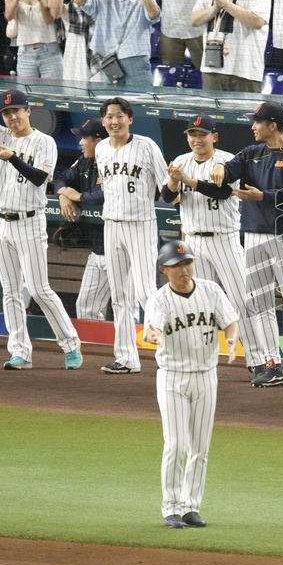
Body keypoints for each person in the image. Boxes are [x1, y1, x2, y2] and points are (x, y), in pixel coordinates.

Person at [0, 89, 82, 371]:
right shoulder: (0, 134)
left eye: (16, 110)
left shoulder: (45, 142)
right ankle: (20, 352)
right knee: (10, 291)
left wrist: (12, 157)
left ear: (29, 111)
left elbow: (40, 178)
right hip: (0, 222)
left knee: (40, 289)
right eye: (6, 113)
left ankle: (70, 343)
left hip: (29, 222)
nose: (12, 116)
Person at [206, 101, 283, 390]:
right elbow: (228, 169)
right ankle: (273, 365)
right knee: (261, 305)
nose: (252, 126)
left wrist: (263, 197)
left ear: (273, 124)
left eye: (257, 121)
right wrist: (219, 165)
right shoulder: (250, 153)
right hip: (254, 235)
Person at [162, 116, 264, 386]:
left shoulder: (227, 161)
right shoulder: (181, 161)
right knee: (202, 305)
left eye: (202, 134)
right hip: (194, 241)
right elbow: (166, 196)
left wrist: (187, 180)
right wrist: (174, 182)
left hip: (224, 239)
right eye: (192, 134)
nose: (197, 139)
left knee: (242, 300)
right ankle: (202, 361)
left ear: (214, 137)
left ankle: (259, 360)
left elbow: (220, 193)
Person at [144, 240, 239, 529]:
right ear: (164, 270)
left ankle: (190, 506)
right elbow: (152, 328)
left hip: (207, 376)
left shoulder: (210, 290)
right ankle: (171, 507)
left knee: (200, 446)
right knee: (177, 444)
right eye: (177, 266)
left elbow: (230, 320)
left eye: (187, 263)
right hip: (172, 377)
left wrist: (232, 338)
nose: (184, 270)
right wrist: (155, 336)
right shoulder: (159, 300)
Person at [94, 97, 168, 374]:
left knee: (146, 291)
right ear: (103, 121)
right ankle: (126, 357)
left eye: (120, 116)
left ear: (130, 119)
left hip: (141, 224)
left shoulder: (146, 146)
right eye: (110, 117)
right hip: (111, 225)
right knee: (119, 295)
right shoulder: (101, 148)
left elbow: (166, 186)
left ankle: (166, 352)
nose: (114, 121)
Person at [54, 118, 110, 322]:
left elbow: (102, 195)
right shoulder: (84, 161)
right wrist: (63, 195)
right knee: (86, 308)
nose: (80, 142)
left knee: (129, 309)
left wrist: (76, 196)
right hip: (98, 250)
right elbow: (59, 178)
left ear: (99, 141)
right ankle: (97, 354)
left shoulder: (114, 161)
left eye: (85, 138)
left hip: (124, 248)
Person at [75, 0, 160, 87]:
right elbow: (79, 1)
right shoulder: (107, 0)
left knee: (141, 103)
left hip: (136, 60)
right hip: (108, 61)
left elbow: (154, 14)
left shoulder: (145, 0)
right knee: (108, 103)